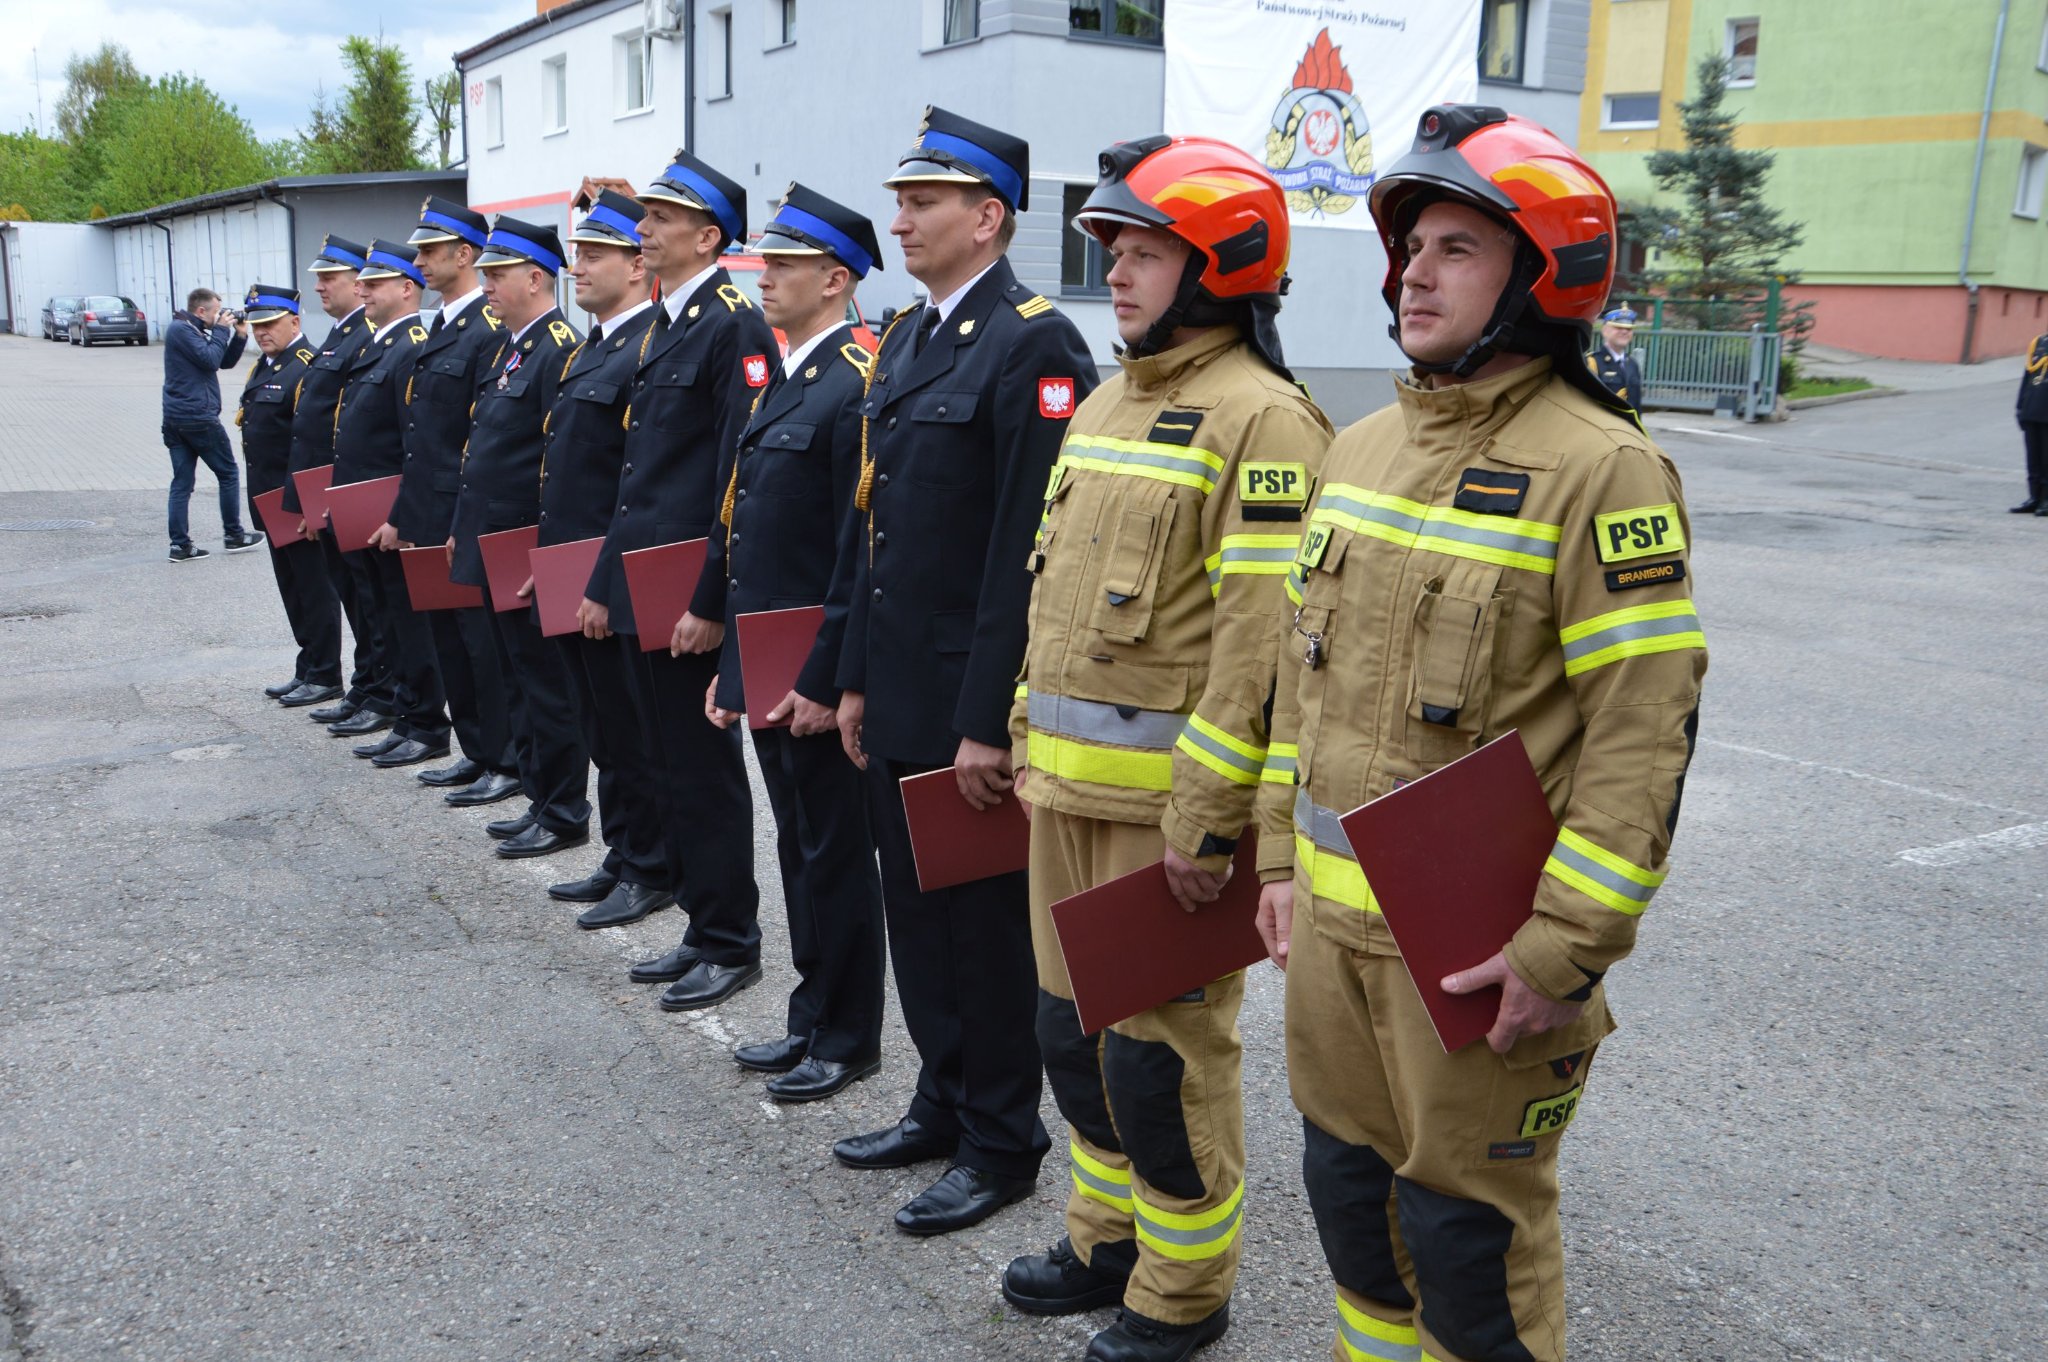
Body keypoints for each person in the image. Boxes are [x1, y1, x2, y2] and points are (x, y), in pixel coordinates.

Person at [1251, 105, 1708, 1362]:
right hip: (1334, 947)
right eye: (1409, 249)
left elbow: (1639, 734)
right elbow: (1307, 687)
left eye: (1454, 246)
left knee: (1468, 1251)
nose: (1411, 274)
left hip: (1472, 963)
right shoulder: (1356, 449)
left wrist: (1561, 950)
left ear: (1542, 271)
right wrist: (1279, 865)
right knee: (1350, 1211)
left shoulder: (1602, 468)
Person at [1001, 137, 1332, 1362]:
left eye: (1144, 252)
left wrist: (1208, 823)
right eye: (1115, 252)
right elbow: (1054, 608)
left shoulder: (1267, 422)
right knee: (1065, 1040)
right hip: (1063, 796)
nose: (1120, 274)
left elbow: (1260, 652)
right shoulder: (1103, 402)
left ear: (1220, 267)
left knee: (1159, 1064)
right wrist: (1021, 741)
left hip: (1163, 826)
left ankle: (1184, 1291)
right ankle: (1103, 1234)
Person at [825, 107, 1098, 1236]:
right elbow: (873, 526)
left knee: (980, 934)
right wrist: (848, 674)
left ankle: (999, 1139)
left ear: (986, 218)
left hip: (963, 705)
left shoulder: (1034, 345)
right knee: (914, 914)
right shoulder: (911, 337)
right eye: (898, 201)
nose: (901, 219)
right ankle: (940, 1101)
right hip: (895, 686)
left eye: (922, 202)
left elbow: (1018, 555)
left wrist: (987, 717)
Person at [695, 184, 888, 1104]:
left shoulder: (855, 380)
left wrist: (826, 675)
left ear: (835, 280)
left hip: (815, 667)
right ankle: (812, 1014)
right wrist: (737, 665)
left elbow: (854, 553)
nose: (764, 278)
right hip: (772, 659)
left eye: (784, 266)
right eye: (765, 263)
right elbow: (749, 539)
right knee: (800, 849)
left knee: (834, 854)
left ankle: (849, 1034)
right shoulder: (791, 376)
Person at [582, 150, 775, 1011]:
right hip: (644, 582)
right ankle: (702, 926)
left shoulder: (731, 324)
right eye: (643, 219)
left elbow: (737, 470)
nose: (643, 232)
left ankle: (731, 940)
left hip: (687, 591)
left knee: (701, 772)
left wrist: (709, 600)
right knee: (664, 763)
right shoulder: (668, 321)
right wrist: (603, 582)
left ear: (707, 236)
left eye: (658, 221)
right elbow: (642, 471)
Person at [536, 189, 676, 924]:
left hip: (614, 578)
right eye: (577, 254)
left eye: (593, 255)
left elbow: (638, 481)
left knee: (631, 732)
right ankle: (624, 854)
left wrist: (602, 581)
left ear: (635, 261)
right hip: (574, 570)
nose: (578, 267)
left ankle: (650, 865)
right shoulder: (598, 344)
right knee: (602, 730)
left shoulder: (650, 342)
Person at [450, 218, 590, 859]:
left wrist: (546, 553)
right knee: (519, 681)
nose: (486, 287)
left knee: (547, 688)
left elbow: (556, 465)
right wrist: (463, 530)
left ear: (535, 277)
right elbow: (483, 449)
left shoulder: (558, 346)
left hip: (527, 547)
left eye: (497, 275)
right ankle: (539, 797)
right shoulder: (513, 348)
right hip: (495, 543)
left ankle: (563, 808)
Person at [378, 197, 523, 808]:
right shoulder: (442, 326)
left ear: (466, 254)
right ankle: (475, 750)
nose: (420, 261)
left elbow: (481, 435)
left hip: (463, 515)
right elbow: (422, 438)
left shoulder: (488, 329)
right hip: (431, 512)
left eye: (430, 251)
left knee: (480, 645)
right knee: (451, 643)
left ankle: (505, 758)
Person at [330, 241, 451, 770]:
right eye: (362, 283)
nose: (362, 290)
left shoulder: (409, 345)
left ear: (407, 289)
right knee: (385, 621)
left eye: (374, 284)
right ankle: (405, 716)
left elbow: (414, 443)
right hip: (365, 514)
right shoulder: (374, 343)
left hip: (391, 517)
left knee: (409, 624)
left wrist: (401, 515)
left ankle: (424, 722)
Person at [285, 236, 399, 732]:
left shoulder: (362, 337)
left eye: (330, 278)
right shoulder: (341, 334)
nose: (320, 286)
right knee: (356, 596)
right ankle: (368, 685)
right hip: (333, 493)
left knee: (370, 601)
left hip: (355, 493)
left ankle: (380, 690)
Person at [233, 284, 342, 709]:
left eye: (270, 324)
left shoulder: (306, 367)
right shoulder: (265, 366)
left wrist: (310, 505)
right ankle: (308, 665)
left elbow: (314, 443)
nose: (261, 333)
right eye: (256, 326)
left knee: (314, 589)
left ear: (294, 321)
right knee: (292, 588)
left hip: (295, 503)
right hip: (271, 501)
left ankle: (325, 673)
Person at [162, 287, 264, 562]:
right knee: (228, 473)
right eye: (217, 311)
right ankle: (233, 535)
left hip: (179, 418)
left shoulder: (191, 331)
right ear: (201, 311)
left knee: (182, 482)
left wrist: (240, 334)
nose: (222, 316)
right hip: (196, 418)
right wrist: (221, 329)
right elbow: (209, 358)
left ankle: (180, 546)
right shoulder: (181, 330)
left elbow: (222, 362)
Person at [2014, 330, 2048, 514]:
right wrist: (2020, 407)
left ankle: (2047, 500)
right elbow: (2027, 377)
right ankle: (2034, 497)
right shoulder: (2039, 343)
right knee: (2033, 458)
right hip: (2032, 408)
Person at [1587, 306, 1643, 415]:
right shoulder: (1592, 362)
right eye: (1618, 327)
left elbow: (1636, 406)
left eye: (1628, 329)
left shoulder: (1632, 364)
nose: (1624, 332)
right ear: (1605, 330)